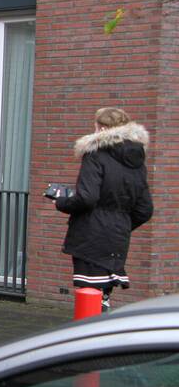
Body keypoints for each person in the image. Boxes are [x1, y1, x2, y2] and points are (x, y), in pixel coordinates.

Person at [53, 107, 153, 310]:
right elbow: (145, 209)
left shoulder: (96, 155)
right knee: (102, 297)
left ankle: (90, 338)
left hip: (91, 235)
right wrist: (121, 224)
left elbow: (87, 198)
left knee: (88, 297)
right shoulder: (137, 161)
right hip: (118, 238)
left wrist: (61, 201)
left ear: (101, 128)